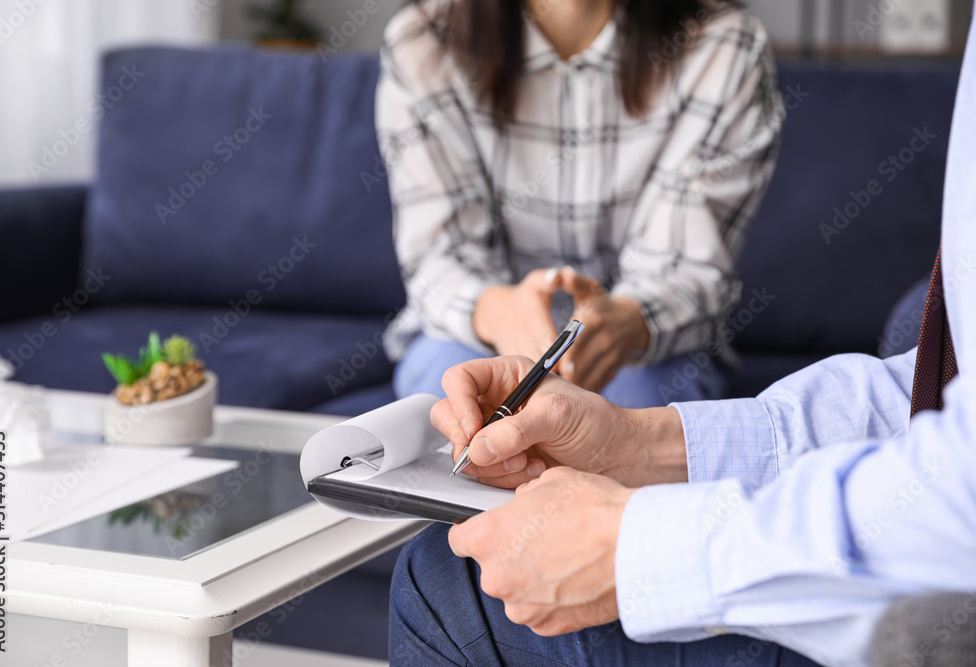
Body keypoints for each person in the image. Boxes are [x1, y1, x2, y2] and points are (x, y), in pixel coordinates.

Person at [386, 17, 976, 667]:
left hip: (644, 340)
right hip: (481, 326)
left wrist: (638, 548)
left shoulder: (719, 42)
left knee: (445, 577)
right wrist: (636, 442)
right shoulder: (427, 36)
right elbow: (930, 403)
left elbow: (956, 486)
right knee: (451, 391)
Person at [376, 0, 783, 408]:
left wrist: (624, 322)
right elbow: (439, 255)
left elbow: (683, 265)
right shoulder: (424, 41)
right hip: (470, 331)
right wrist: (502, 314)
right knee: (449, 396)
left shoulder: (726, 47)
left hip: (647, 348)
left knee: (629, 420)